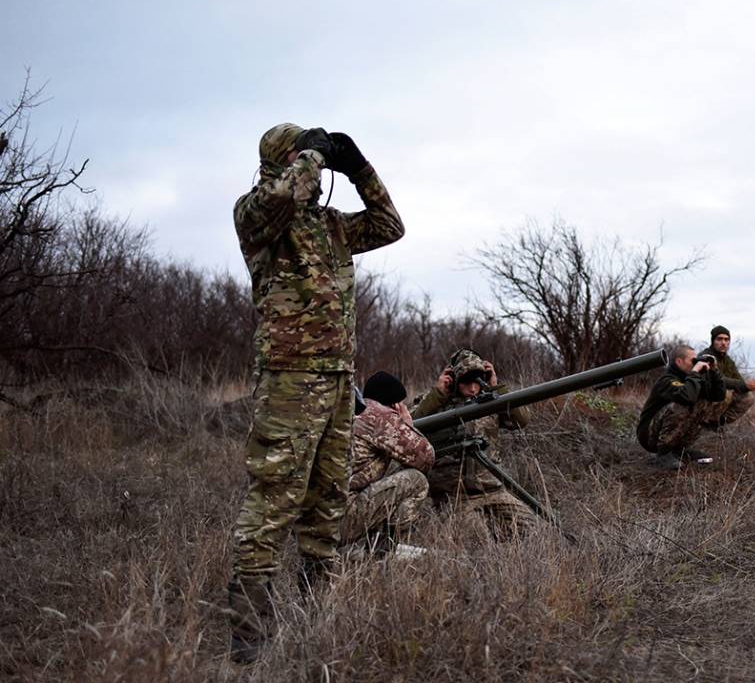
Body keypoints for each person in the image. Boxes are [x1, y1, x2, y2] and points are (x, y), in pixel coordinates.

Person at [227, 123, 404, 664]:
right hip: (288, 378)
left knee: (326, 504)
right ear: (284, 160)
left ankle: (315, 624)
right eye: (305, 155)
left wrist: (358, 169)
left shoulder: (330, 226)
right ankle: (249, 642)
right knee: (273, 500)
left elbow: (390, 225)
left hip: (335, 381)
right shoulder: (257, 216)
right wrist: (310, 155)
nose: (317, 164)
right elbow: (279, 195)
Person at [412, 348, 534, 538]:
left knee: (531, 530)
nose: (472, 389)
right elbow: (408, 426)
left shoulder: (490, 400)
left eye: (477, 382)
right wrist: (437, 395)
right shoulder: (433, 402)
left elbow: (521, 421)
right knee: (475, 537)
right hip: (455, 495)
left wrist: (497, 387)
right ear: (453, 379)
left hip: (492, 490)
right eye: (466, 382)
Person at [342, 371, 434, 554]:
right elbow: (426, 457)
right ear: (395, 404)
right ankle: (382, 550)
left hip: (321, 518)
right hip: (344, 519)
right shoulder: (380, 416)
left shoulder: (351, 410)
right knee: (416, 480)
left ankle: (359, 549)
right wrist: (407, 424)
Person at [636, 343, 728, 469]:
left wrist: (714, 371)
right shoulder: (667, 380)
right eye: (692, 361)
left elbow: (718, 396)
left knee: (705, 402)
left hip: (662, 431)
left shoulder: (690, 379)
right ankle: (663, 454)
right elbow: (686, 396)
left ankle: (679, 450)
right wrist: (695, 372)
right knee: (683, 402)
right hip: (649, 435)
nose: (695, 363)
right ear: (679, 361)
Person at [697, 325, 755, 429]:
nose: (723, 343)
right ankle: (705, 423)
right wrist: (743, 384)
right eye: (719, 339)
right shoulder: (706, 357)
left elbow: (738, 379)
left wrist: (746, 386)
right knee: (726, 393)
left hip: (718, 397)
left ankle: (718, 424)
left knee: (748, 397)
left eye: (726, 340)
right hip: (703, 398)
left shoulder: (728, 360)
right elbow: (717, 380)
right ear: (713, 341)